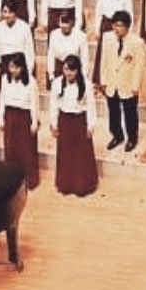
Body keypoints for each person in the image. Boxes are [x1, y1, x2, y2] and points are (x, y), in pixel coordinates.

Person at [49, 54, 99, 197]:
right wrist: (53, 124)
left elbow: (90, 106)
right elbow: (53, 105)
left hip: (80, 122)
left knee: (82, 154)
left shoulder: (86, 84)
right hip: (64, 121)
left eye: (72, 70)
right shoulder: (57, 83)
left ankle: (82, 185)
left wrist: (91, 125)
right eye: (66, 69)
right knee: (66, 153)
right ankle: (66, 185)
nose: (69, 73)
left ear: (78, 70)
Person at [99, 10, 145, 152]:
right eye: (115, 25)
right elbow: (104, 60)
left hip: (128, 83)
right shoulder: (107, 38)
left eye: (120, 25)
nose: (116, 29)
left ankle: (132, 138)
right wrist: (103, 80)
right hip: (112, 82)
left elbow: (139, 66)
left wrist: (135, 85)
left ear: (127, 26)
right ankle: (117, 135)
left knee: (130, 113)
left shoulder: (137, 42)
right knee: (113, 112)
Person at [0, 52, 40, 189]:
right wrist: (1, 118)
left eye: (16, 67)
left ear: (22, 67)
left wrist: (34, 122)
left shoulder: (31, 82)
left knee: (26, 150)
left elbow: (34, 103)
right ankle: (11, 179)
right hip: (10, 116)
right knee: (11, 149)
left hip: (24, 117)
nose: (13, 70)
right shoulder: (4, 79)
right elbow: (2, 99)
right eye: (11, 67)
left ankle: (27, 179)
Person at [92, 0, 134, 84]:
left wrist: (128, 33)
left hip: (119, 26)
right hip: (105, 24)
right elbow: (98, 12)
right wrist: (97, 29)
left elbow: (130, 16)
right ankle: (100, 82)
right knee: (103, 54)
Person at [0, 0, 36, 78]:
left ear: (15, 13)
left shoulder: (24, 27)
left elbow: (29, 51)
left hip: (20, 65)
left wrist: (29, 69)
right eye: (5, 12)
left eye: (10, 12)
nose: (7, 15)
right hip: (4, 64)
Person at [45, 8, 85, 85]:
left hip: (74, 72)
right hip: (59, 71)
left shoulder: (80, 36)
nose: (64, 26)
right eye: (62, 22)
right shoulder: (54, 34)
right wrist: (51, 75)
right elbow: (51, 56)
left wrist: (83, 77)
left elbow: (84, 58)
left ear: (72, 23)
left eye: (67, 22)